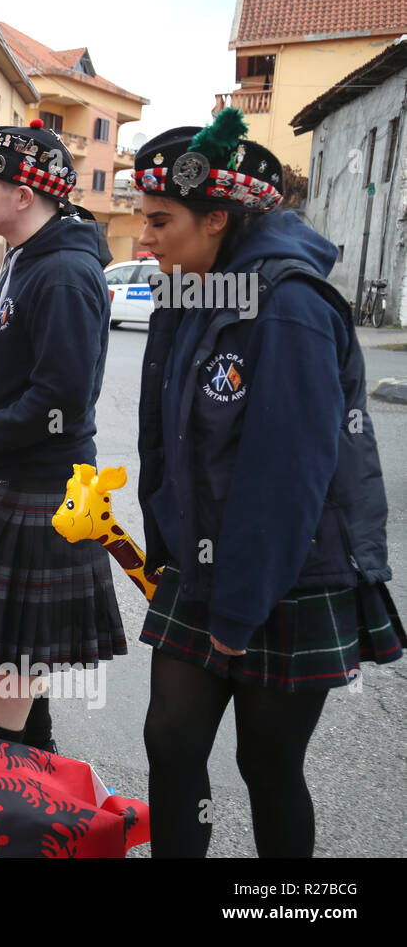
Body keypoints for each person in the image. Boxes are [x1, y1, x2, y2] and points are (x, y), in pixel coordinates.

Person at [132, 112, 402, 857]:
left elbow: (286, 478)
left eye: (160, 221)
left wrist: (239, 609)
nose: (144, 241)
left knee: (269, 764)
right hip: (203, 568)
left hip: (291, 577)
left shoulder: (290, 307)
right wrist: (166, 551)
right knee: (172, 743)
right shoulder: (193, 292)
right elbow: (170, 444)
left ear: (217, 218)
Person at [0, 119, 123, 753]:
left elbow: (60, 398)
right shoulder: (27, 257)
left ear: (24, 195)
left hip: (44, 493)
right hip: (22, 488)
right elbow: (32, 376)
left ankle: (7, 812)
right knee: (18, 669)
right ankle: (35, 811)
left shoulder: (62, 273)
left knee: (13, 672)